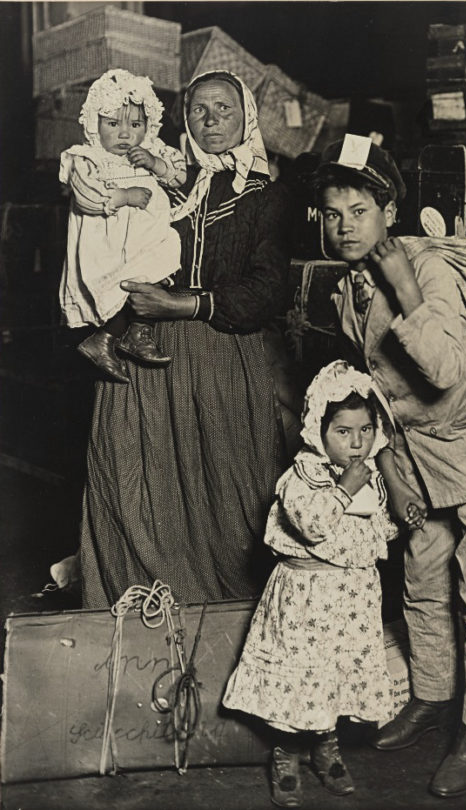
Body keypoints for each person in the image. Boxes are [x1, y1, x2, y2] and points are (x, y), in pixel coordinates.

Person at [313, 135, 466, 798]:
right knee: (419, 582)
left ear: (388, 210)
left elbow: (439, 368)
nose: (344, 225)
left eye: (358, 209)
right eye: (331, 214)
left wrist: (406, 286)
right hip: (415, 458)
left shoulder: (426, 268)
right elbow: (372, 394)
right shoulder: (344, 291)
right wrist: (390, 475)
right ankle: (433, 694)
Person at [79, 70, 292, 608]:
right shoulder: (166, 181)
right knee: (136, 480)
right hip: (144, 354)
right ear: (184, 121)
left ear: (247, 116)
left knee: (227, 491)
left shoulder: (266, 196)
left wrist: (182, 303)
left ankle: (228, 620)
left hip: (219, 352)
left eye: (224, 107)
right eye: (198, 110)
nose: (212, 119)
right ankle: (144, 609)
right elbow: (96, 183)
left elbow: (267, 291)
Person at [223, 359, 404, 808]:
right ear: (318, 431)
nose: (356, 442)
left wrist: (397, 518)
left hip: (351, 599)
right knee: (301, 677)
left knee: (336, 674)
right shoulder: (301, 477)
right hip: (306, 598)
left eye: (364, 430)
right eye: (343, 432)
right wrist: (344, 488)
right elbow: (313, 525)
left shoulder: (371, 476)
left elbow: (375, 531)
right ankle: (286, 753)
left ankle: (327, 747)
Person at [59, 68, 186, 383]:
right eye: (113, 124)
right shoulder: (87, 158)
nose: (125, 134)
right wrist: (123, 195)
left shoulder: (153, 151)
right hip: (109, 242)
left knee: (162, 266)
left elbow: (181, 176)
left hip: (148, 237)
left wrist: (156, 164)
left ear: (149, 126)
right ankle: (106, 336)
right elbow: (87, 197)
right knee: (122, 285)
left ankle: (134, 333)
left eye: (135, 124)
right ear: (95, 124)